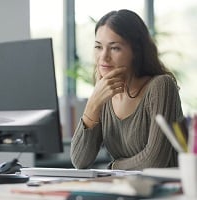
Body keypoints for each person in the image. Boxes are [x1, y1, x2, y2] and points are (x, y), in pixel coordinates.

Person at [70, 9, 183, 170]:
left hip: (166, 192)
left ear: (136, 51)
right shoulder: (104, 93)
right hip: (125, 190)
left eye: (114, 48)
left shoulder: (161, 86)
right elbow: (80, 161)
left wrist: (112, 167)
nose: (103, 57)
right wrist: (93, 104)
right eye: (98, 47)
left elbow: (155, 161)